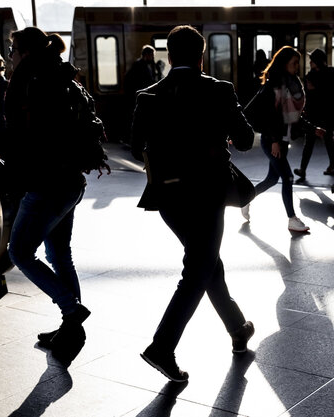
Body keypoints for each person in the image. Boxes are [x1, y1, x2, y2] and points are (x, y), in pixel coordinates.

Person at [131, 25, 255, 382]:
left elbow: (135, 143)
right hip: (208, 195)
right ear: (202, 56)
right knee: (198, 269)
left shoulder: (148, 96)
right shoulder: (219, 90)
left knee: (206, 264)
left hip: (168, 197)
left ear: (168, 56)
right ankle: (162, 346)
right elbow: (245, 139)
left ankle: (237, 328)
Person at [5, 26, 110, 364]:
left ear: (24, 53)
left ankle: (71, 308)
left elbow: (32, 139)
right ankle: (70, 328)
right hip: (70, 182)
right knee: (59, 254)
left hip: (46, 184)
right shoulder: (62, 78)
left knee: (20, 251)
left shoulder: (34, 83)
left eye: (12, 51)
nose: (9, 58)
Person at [241, 46, 325, 232]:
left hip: (283, 141)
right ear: (284, 63)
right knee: (287, 177)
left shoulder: (292, 84)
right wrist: (274, 141)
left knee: (272, 179)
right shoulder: (273, 86)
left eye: (298, 63)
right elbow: (268, 115)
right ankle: (292, 219)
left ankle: (246, 199)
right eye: (294, 63)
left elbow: (294, 117)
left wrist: (313, 129)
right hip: (272, 141)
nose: (297, 66)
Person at [293, 48, 334, 182]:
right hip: (320, 113)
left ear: (316, 62)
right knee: (321, 140)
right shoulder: (326, 74)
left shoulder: (318, 75)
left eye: (312, 60)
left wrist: (314, 90)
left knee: (317, 141)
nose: (310, 62)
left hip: (319, 113)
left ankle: (306, 169)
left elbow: (313, 94)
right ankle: (329, 166)